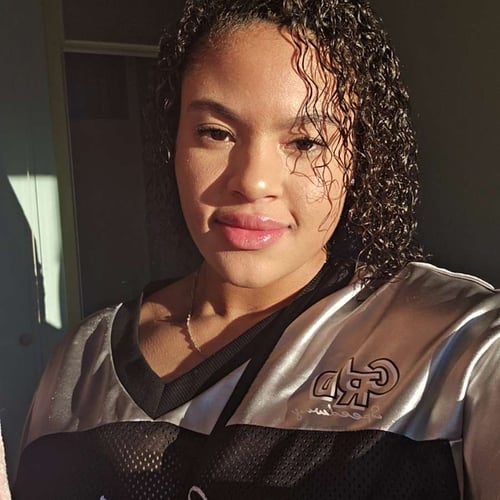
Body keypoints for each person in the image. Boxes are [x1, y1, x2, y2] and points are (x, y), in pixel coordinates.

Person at [13, 0, 499, 498]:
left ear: (359, 157)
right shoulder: (82, 363)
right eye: (216, 133)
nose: (252, 181)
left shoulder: (460, 344)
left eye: (306, 142)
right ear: (174, 142)